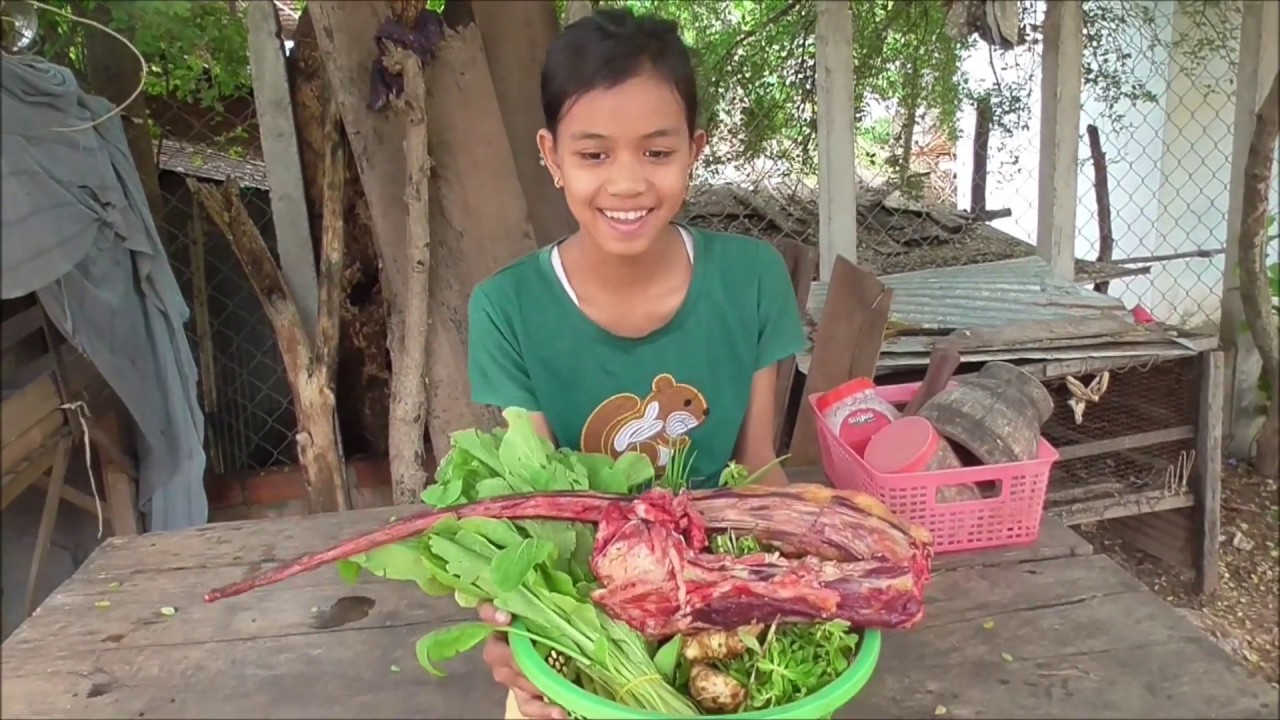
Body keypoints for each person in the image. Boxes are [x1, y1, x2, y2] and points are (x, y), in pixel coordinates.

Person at [464, 8, 807, 719]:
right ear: (551, 156)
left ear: (695, 149)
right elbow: (541, 507)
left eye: (657, 153)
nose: (627, 184)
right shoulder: (506, 308)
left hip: (721, 578)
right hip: (590, 597)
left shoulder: (752, 279)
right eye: (594, 155)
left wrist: (766, 593)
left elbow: (758, 471)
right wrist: (521, 633)